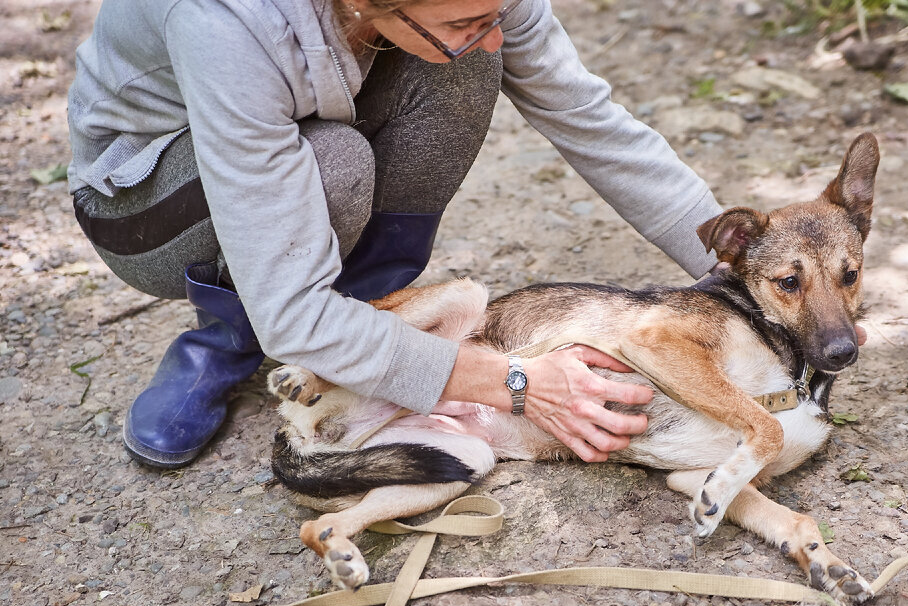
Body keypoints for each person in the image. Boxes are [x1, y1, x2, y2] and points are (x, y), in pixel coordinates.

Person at [67, 0, 726, 469]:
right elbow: (292, 309)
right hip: (144, 200)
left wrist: (741, 270)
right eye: (467, 19)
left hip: (297, 121)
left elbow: (588, 118)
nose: (494, 34)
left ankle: (371, 329)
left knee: (466, 62)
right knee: (331, 169)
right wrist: (514, 381)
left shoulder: (471, 7)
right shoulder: (225, 23)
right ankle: (231, 340)